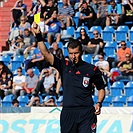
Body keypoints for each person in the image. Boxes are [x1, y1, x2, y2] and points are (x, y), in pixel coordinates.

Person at [32, 23, 105, 133]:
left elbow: (101, 88)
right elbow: (46, 54)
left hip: (86, 112)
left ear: (81, 52)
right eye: (71, 53)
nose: (73, 56)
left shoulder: (92, 69)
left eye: (76, 53)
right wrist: (38, 36)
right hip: (68, 112)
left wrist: (99, 103)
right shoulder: (64, 65)